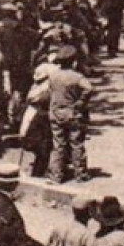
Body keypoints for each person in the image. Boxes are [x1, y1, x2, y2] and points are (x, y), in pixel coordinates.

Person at [46, 46, 93, 183]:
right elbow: (89, 88)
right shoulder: (77, 77)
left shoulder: (53, 76)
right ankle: (81, 174)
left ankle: (56, 175)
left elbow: (50, 92)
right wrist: (81, 102)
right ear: (74, 62)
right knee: (76, 143)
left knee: (58, 145)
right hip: (73, 113)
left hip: (55, 113)